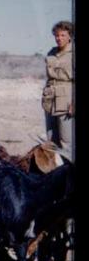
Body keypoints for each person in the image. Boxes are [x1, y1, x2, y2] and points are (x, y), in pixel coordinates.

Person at [42, 20, 74, 160]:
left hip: (67, 101)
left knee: (66, 142)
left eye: (62, 35)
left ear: (70, 36)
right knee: (51, 141)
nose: (59, 38)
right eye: (57, 35)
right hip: (50, 100)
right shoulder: (51, 52)